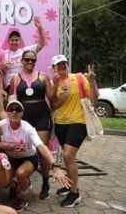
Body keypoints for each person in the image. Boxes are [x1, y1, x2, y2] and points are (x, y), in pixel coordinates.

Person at [0, 100, 71, 212]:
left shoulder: (27, 128)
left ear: (22, 113)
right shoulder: (1, 125)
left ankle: (22, 198)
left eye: (18, 110)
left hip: (28, 159)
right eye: (11, 109)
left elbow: (41, 146)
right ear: (7, 112)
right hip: (10, 158)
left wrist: (55, 166)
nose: (14, 112)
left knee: (21, 173)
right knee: (2, 183)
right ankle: (15, 186)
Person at [50, 54, 99, 207]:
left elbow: (94, 98)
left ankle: (74, 193)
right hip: (60, 124)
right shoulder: (54, 83)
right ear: (54, 68)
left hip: (78, 121)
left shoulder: (78, 77)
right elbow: (53, 106)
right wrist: (61, 96)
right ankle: (69, 186)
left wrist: (91, 81)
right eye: (59, 64)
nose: (63, 65)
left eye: (64, 62)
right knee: (67, 158)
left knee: (68, 155)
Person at [8, 50, 55, 200]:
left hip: (41, 114)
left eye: (33, 60)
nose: (30, 62)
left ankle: (46, 183)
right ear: (21, 61)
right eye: (27, 60)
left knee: (42, 150)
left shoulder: (43, 76)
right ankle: (22, 181)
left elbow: (52, 98)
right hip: (24, 116)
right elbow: (11, 99)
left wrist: (57, 83)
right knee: (22, 148)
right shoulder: (16, 78)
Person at [3, 17, 45, 89]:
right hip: (8, 86)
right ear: (8, 42)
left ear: (20, 41)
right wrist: (3, 67)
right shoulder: (3, 54)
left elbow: (41, 44)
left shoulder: (25, 51)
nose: (14, 42)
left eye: (16, 40)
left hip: (22, 85)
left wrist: (40, 29)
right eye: (12, 40)